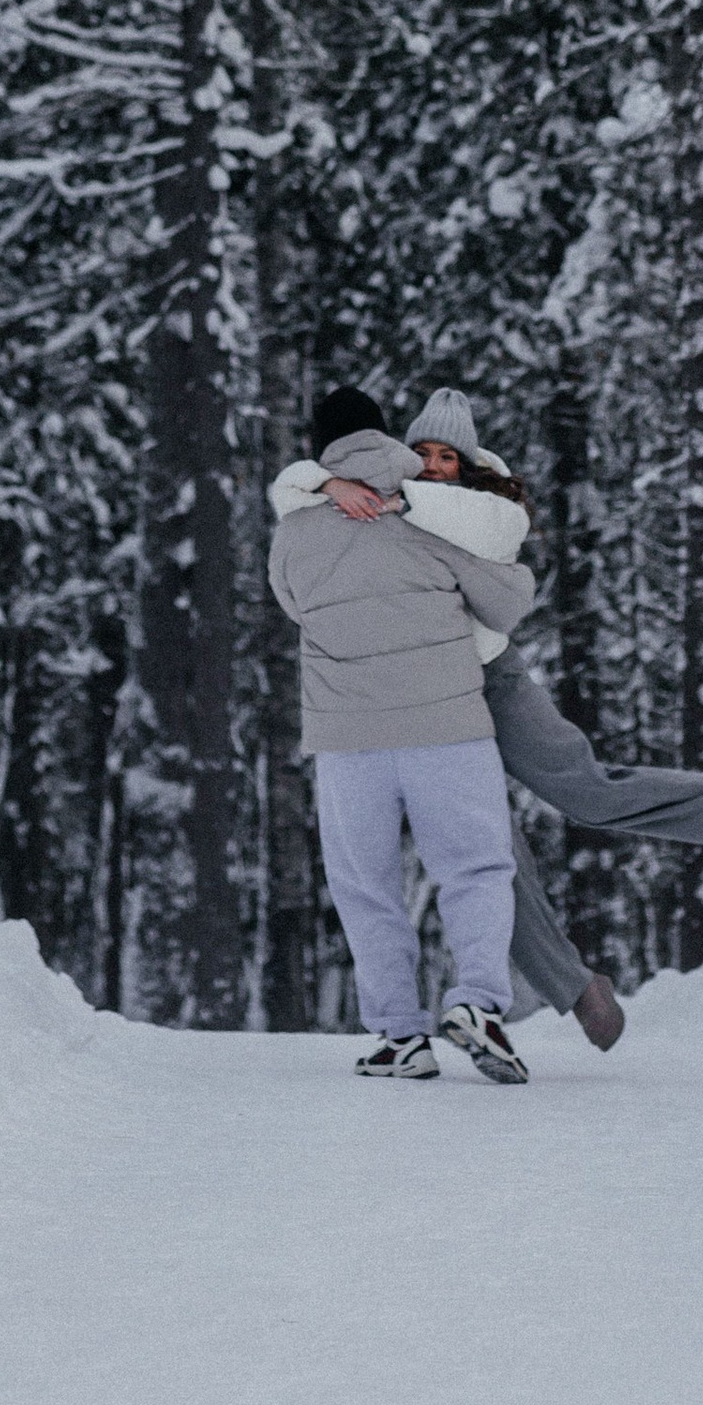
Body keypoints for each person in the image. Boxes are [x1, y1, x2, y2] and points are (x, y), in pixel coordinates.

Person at [280, 383, 703, 1052]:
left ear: (469, 465)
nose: (430, 464)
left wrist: (398, 498)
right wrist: (328, 486)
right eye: (418, 451)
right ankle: (576, 987)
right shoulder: (374, 500)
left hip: (488, 679)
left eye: (446, 456)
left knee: (584, 791)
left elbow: (499, 556)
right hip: (420, 703)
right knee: (490, 857)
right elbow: (292, 496)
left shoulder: (478, 506)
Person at [266, 382, 536, 1083]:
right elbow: (506, 605)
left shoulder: (295, 528)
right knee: (475, 870)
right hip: (447, 724)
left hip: (348, 736)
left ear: (321, 447)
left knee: (365, 886)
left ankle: (399, 1036)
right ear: (386, 435)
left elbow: (295, 606)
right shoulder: (434, 513)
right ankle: (477, 1003)